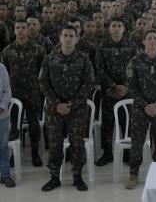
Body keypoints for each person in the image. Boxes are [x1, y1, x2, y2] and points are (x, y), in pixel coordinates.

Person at [39, 26, 95, 191]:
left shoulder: (84, 58)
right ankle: (54, 178)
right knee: (55, 144)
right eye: (65, 35)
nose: (68, 38)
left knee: (77, 144)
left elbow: (89, 82)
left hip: (76, 110)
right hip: (54, 110)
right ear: (60, 37)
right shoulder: (50, 58)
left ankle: (77, 177)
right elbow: (43, 82)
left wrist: (72, 104)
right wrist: (57, 103)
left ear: (77, 38)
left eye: (72, 36)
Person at [125, 30, 156, 189]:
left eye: (155, 38)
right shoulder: (135, 61)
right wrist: (145, 105)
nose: (152, 41)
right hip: (141, 108)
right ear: (144, 42)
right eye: (149, 38)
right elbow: (131, 85)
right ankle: (134, 174)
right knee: (137, 142)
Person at [1, 20, 45, 167]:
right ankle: (13, 155)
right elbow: (4, 75)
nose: (20, 30)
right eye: (18, 28)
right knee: (14, 125)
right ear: (14, 31)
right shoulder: (7, 51)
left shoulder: (38, 50)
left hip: (33, 93)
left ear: (28, 30)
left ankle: (34, 153)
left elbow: (42, 71)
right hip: (14, 95)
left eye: (23, 28)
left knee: (34, 125)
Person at [95, 17, 138, 166]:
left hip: (127, 92)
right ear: (109, 28)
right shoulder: (102, 45)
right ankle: (107, 153)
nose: (116, 28)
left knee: (128, 122)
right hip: (109, 91)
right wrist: (113, 86)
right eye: (114, 26)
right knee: (107, 123)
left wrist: (125, 86)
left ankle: (127, 153)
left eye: (119, 26)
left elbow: (135, 67)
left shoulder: (131, 46)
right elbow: (99, 69)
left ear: (124, 29)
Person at [0, 63, 15, 187]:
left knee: (3, 146)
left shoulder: (1, 68)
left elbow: (7, 90)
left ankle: (5, 175)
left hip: (1, 114)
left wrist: (1, 108)